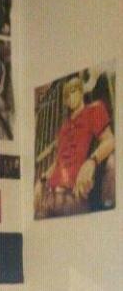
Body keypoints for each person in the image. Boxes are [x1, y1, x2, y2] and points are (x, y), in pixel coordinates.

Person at [34, 74, 115, 217]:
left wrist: (92, 161)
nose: (69, 97)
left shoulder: (94, 110)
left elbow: (110, 140)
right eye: (66, 94)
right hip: (49, 198)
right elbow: (57, 162)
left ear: (81, 91)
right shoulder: (64, 127)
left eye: (73, 90)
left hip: (73, 199)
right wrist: (41, 180)